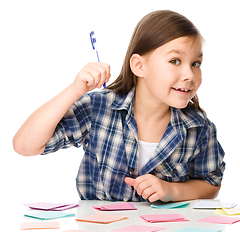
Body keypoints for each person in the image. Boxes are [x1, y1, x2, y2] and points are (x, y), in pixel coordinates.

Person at [13, 10, 225, 202]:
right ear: (139, 66)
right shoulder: (99, 108)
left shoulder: (199, 127)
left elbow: (211, 184)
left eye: (196, 64)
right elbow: (25, 146)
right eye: (175, 61)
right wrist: (74, 90)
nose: (190, 75)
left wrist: (171, 191)